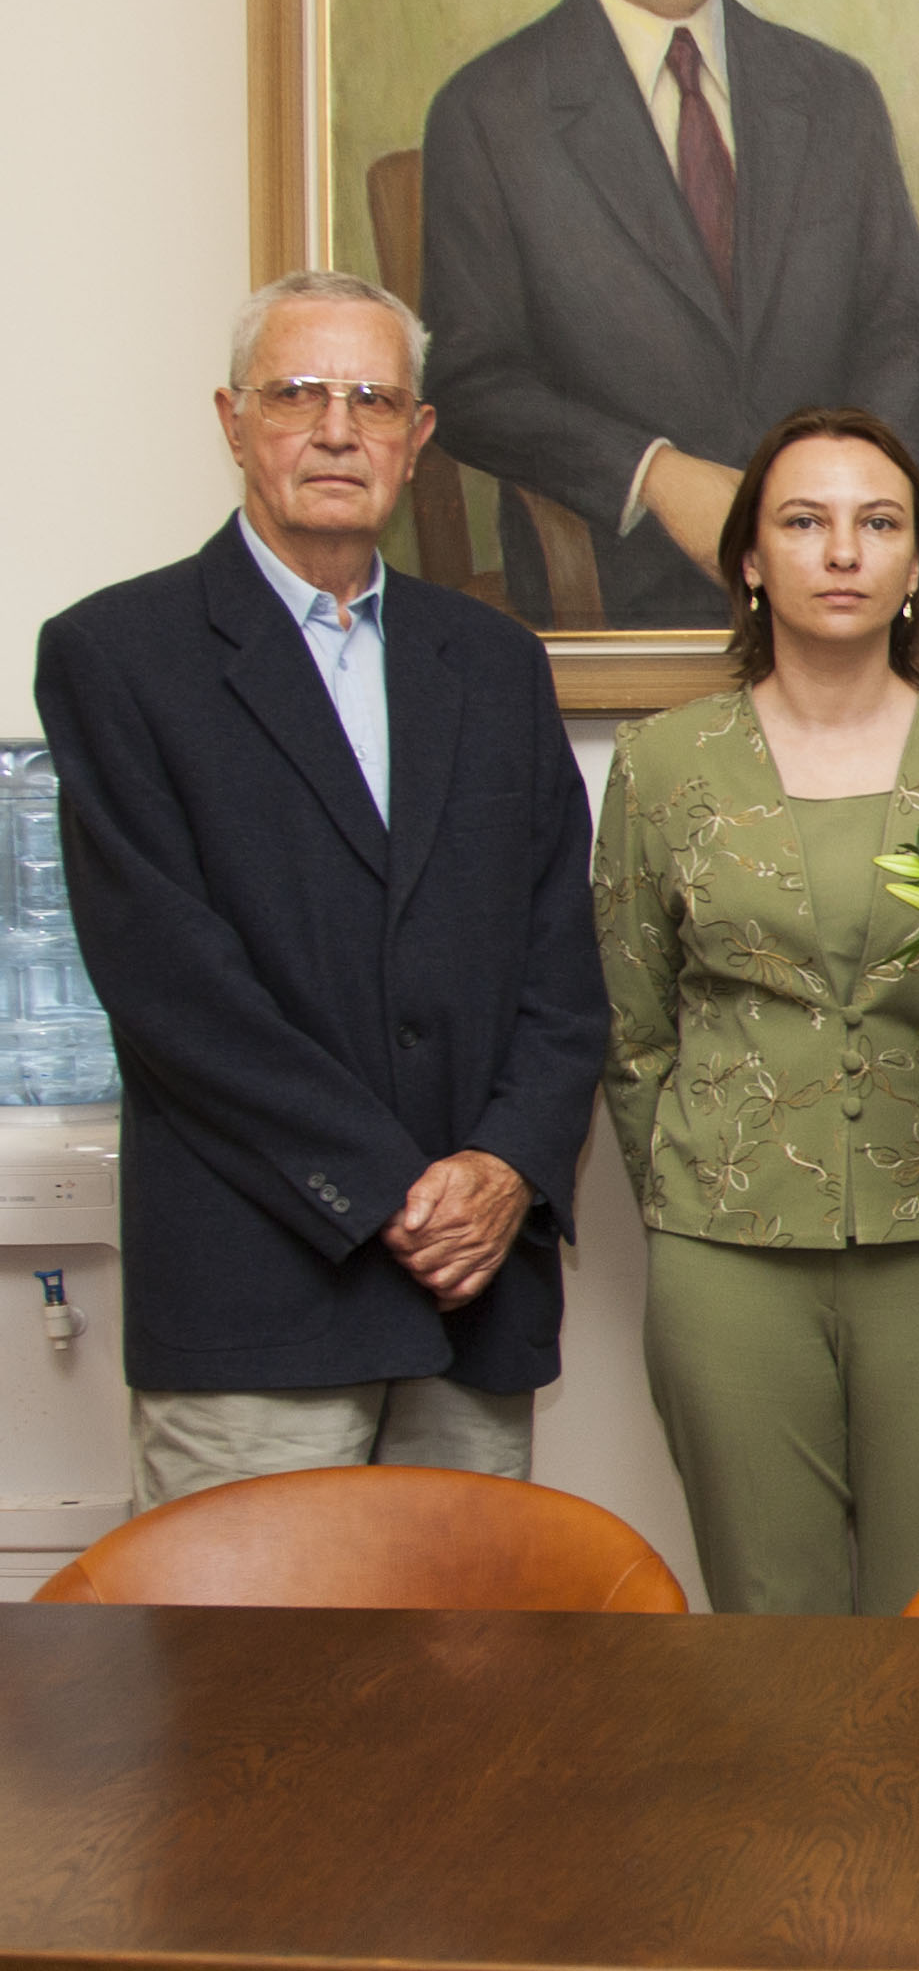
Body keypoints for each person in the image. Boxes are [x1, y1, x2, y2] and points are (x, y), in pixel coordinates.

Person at [34, 271, 606, 1507]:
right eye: (298, 393)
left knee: (471, 1634)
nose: (338, 429)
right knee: (252, 1643)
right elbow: (173, 987)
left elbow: (564, 966)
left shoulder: (495, 662)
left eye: (373, 399)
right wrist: (392, 1189)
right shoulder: (117, 656)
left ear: (418, 433)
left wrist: (505, 1166)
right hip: (259, 1295)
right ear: (233, 420)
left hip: (473, 1294)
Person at [593, 407, 919, 1613]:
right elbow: (632, 1025)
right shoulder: (661, 763)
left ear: (917, 562)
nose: (843, 550)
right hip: (726, 1247)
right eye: (804, 521)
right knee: (769, 1617)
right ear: (750, 558)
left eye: (878, 522)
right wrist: (697, 1179)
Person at [422, 0, 919, 628]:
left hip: (853, 573)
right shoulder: (490, 110)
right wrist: (658, 476)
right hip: (626, 574)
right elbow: (470, 379)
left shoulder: (833, 93)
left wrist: (847, 506)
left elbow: (910, 326)